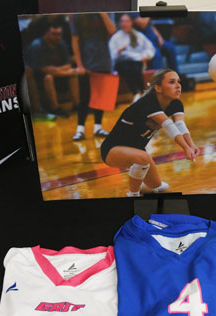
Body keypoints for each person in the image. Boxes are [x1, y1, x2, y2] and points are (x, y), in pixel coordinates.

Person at [100, 69, 200, 197]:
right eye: (171, 82)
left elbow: (180, 125)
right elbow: (168, 125)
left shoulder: (175, 103)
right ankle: (133, 194)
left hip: (138, 150)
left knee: (156, 185)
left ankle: (138, 181)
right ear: (158, 88)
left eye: (178, 81)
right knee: (143, 158)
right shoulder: (148, 102)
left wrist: (191, 145)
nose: (178, 86)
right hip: (112, 150)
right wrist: (185, 148)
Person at [70, 13, 117, 141]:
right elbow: (75, 40)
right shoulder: (78, 15)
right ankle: (80, 130)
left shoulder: (106, 13)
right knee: (84, 97)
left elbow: (112, 30)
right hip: (87, 63)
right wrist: (79, 65)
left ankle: (98, 127)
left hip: (103, 61)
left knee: (100, 98)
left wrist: (103, 13)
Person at [25, 22, 79, 116]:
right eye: (54, 34)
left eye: (59, 34)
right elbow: (44, 69)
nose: (58, 37)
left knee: (73, 76)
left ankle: (77, 105)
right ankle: (55, 108)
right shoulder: (37, 45)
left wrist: (56, 70)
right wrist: (66, 72)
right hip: (39, 78)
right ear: (46, 34)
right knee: (49, 77)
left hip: (58, 74)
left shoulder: (61, 44)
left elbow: (68, 65)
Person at [109, 14, 156, 103]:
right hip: (121, 63)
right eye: (122, 22)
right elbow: (111, 55)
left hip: (136, 61)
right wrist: (118, 52)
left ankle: (142, 92)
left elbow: (150, 49)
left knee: (135, 67)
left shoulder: (138, 35)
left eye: (126, 22)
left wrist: (145, 56)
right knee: (125, 67)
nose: (124, 24)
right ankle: (136, 93)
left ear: (131, 23)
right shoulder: (116, 37)